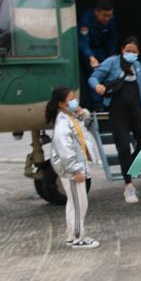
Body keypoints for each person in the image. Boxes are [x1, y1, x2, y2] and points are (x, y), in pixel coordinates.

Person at [89, 36, 141, 204]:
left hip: (136, 110)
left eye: (134, 51)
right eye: (128, 50)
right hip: (117, 110)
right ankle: (129, 185)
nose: (131, 54)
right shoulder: (111, 62)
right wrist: (97, 86)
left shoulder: (137, 66)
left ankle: (131, 165)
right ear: (122, 49)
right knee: (123, 146)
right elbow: (94, 77)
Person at [46, 87, 100, 249]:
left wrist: (80, 110)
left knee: (75, 202)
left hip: (73, 168)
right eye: (71, 99)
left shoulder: (71, 117)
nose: (74, 101)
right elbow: (65, 150)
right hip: (71, 170)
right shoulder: (63, 124)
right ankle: (78, 238)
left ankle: (72, 235)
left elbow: (86, 120)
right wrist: (76, 170)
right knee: (79, 204)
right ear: (62, 104)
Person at [78, 0, 118, 109]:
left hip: (102, 49)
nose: (107, 19)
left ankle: (109, 102)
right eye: (104, 15)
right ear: (96, 12)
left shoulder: (111, 19)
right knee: (94, 73)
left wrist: (112, 54)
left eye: (109, 15)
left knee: (109, 70)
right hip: (88, 50)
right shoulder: (86, 18)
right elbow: (83, 41)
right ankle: (97, 105)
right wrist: (90, 56)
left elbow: (112, 38)